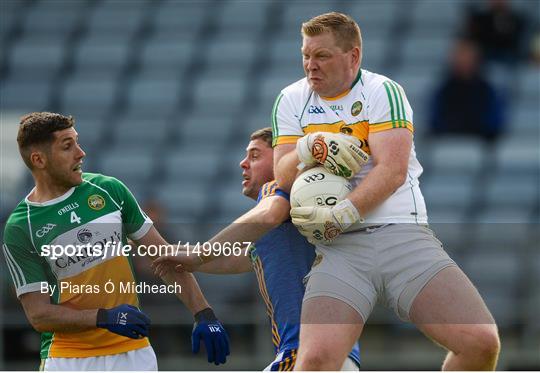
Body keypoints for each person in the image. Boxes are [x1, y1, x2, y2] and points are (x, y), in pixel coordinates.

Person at [271, 12, 500, 370]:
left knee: (481, 343)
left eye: (322, 56)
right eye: (306, 55)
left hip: (401, 236)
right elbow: (282, 176)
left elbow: (391, 171)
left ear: (353, 56)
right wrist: (306, 146)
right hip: (340, 249)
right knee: (314, 361)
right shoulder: (290, 99)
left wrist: (340, 213)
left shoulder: (382, 91)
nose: (310, 65)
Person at [2, 112, 229, 370]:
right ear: (39, 159)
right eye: (68, 146)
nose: (81, 152)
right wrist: (104, 317)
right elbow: (39, 314)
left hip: (132, 353)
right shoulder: (21, 227)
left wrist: (204, 313)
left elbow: (164, 257)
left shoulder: (109, 190)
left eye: (77, 142)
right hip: (67, 359)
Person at [153, 128, 360, 370]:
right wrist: (175, 256)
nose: (243, 163)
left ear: (282, 158)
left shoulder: (276, 189)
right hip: (336, 354)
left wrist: (199, 254)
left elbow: (269, 214)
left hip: (304, 352)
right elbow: (238, 258)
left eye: (254, 155)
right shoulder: (295, 214)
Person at [429, 38, 506, 141]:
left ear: (476, 58)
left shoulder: (487, 91)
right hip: (449, 142)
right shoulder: (443, 90)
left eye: (466, 55)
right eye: (459, 55)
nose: (462, 59)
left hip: (479, 142)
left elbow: (493, 123)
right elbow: (436, 121)